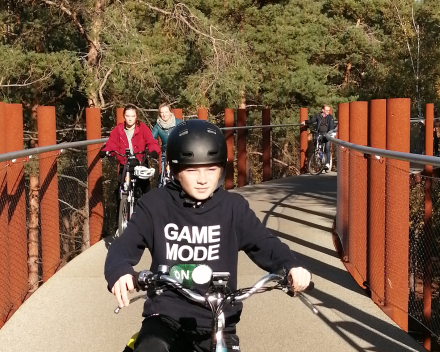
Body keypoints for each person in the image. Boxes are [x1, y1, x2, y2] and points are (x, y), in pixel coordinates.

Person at [104, 119, 312, 352]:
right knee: (151, 347)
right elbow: (123, 245)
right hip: (165, 314)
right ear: (174, 170)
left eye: (211, 169)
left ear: (221, 168)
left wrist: (291, 265)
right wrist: (119, 271)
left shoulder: (233, 208)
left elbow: (265, 243)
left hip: (219, 318)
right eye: (192, 170)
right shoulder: (155, 205)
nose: (203, 179)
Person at [102, 104, 161, 196]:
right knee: (120, 189)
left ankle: (149, 207)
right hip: (125, 162)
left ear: (136, 116)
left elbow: (151, 142)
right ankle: (122, 206)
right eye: (127, 116)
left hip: (140, 161)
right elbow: (111, 142)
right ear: (124, 116)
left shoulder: (142, 128)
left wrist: (153, 151)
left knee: (146, 189)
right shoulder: (118, 129)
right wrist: (105, 151)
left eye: (133, 116)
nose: (130, 119)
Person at [151, 103, 183, 187]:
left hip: (178, 153)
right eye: (162, 112)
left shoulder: (178, 123)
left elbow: (186, 134)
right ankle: (161, 191)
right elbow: (151, 138)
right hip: (166, 153)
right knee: (163, 175)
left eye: (166, 112)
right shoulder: (158, 126)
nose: (164, 115)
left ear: (170, 112)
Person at [301, 104, 335, 170]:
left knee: (327, 148)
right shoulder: (318, 116)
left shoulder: (330, 117)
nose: (328, 111)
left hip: (327, 134)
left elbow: (331, 127)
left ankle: (327, 163)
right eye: (326, 110)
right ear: (323, 110)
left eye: (329, 110)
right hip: (319, 134)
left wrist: (330, 134)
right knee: (317, 146)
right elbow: (311, 120)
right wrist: (305, 122)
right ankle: (320, 157)